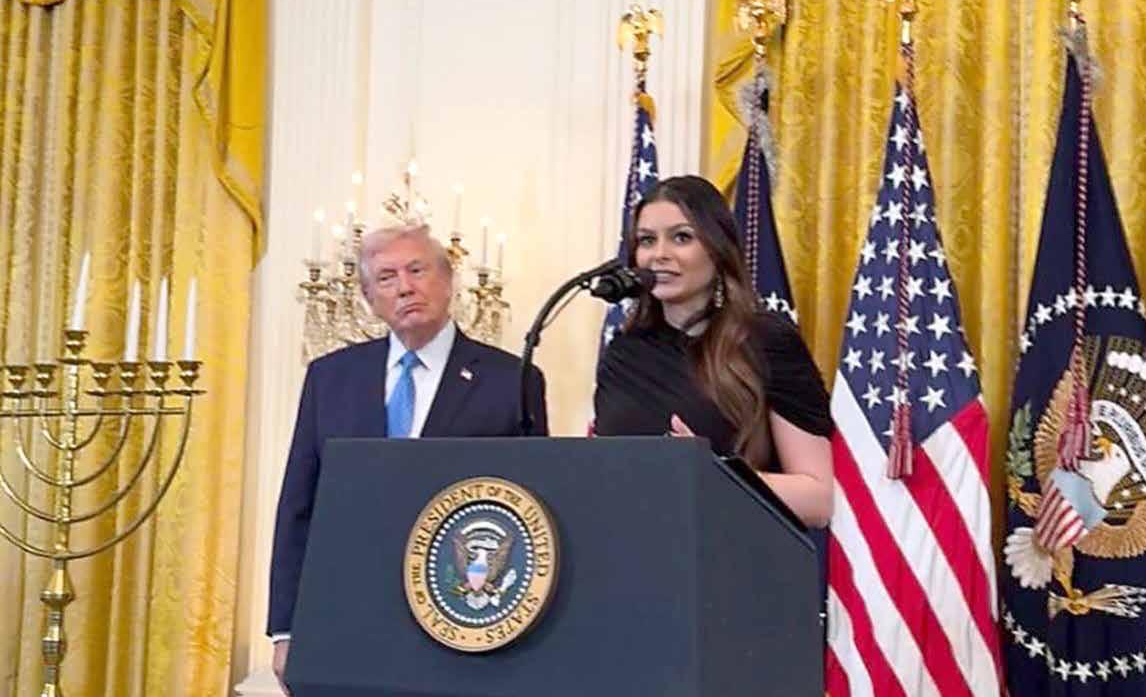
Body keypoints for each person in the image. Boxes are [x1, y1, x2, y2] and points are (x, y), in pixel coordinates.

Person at [268, 224, 548, 693]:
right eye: (386, 277)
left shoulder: (511, 380)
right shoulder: (330, 377)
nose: (404, 287)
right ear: (368, 298)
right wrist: (285, 629)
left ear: (448, 280)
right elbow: (299, 505)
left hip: (464, 620)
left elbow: (529, 516)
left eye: (417, 270)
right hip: (347, 619)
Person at [594, 175, 833, 528]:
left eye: (681, 237)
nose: (659, 254)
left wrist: (713, 472)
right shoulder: (624, 354)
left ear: (717, 249)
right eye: (647, 240)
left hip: (733, 549)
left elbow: (818, 500)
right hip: (633, 547)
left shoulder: (767, 342)